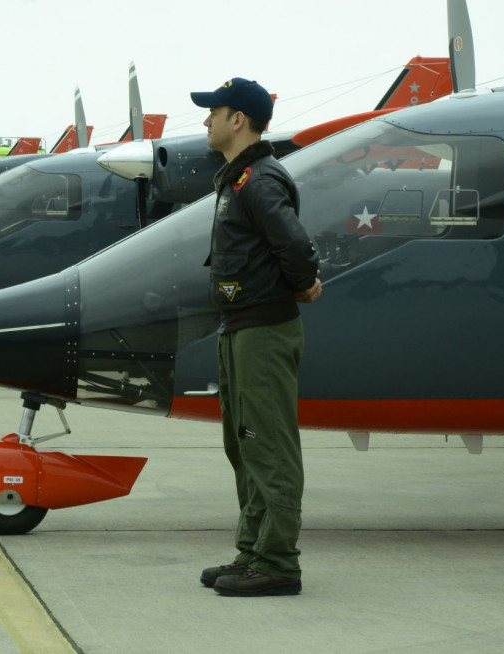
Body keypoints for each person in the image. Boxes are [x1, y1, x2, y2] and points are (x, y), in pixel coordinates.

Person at [191, 78, 322, 597]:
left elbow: (295, 243)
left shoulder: (259, 180)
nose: (206, 121)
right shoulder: (238, 179)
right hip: (241, 326)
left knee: (269, 445)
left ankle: (277, 562)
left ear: (238, 119)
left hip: (264, 328)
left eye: (213, 112)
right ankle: (252, 551)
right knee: (243, 443)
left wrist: (302, 284)